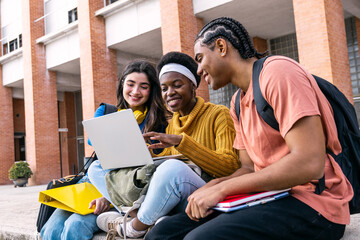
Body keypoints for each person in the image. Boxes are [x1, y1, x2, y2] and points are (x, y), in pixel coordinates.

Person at [146, 17, 354, 240]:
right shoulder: (237, 102)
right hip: (269, 196)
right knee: (162, 233)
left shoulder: (278, 73)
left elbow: (309, 163)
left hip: (314, 204)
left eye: (200, 58)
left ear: (221, 47)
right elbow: (248, 167)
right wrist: (213, 186)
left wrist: (223, 189)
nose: (198, 70)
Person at [95, 51, 240, 239]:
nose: (169, 92)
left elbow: (231, 167)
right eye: (164, 88)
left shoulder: (218, 114)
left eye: (177, 85)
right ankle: (146, 217)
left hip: (207, 191)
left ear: (193, 85)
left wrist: (181, 142)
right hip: (176, 193)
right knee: (98, 167)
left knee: (173, 168)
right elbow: (166, 170)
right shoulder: (173, 124)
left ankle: (134, 227)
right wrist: (143, 157)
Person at [40, 60, 170, 240]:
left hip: (126, 188)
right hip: (94, 182)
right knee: (50, 229)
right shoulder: (106, 111)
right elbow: (99, 150)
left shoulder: (159, 123)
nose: (135, 91)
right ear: (122, 84)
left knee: (74, 226)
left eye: (143, 86)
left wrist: (109, 198)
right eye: (130, 84)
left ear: (151, 90)